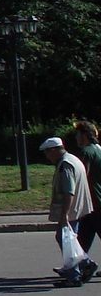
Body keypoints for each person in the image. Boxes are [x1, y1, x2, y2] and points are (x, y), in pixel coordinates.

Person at [43, 136, 94, 286]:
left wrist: (64, 214)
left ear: (53, 150)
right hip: (79, 207)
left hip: (72, 210)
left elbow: (68, 191)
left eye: (47, 153)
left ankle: (75, 275)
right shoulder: (73, 159)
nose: (47, 156)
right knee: (68, 240)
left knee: (66, 240)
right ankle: (84, 264)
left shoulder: (65, 164)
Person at [73, 121, 101, 271]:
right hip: (94, 203)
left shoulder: (86, 153)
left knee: (82, 238)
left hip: (94, 203)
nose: (76, 139)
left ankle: (78, 267)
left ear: (85, 135)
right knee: (82, 238)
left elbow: (81, 177)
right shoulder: (99, 150)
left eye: (78, 135)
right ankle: (78, 267)